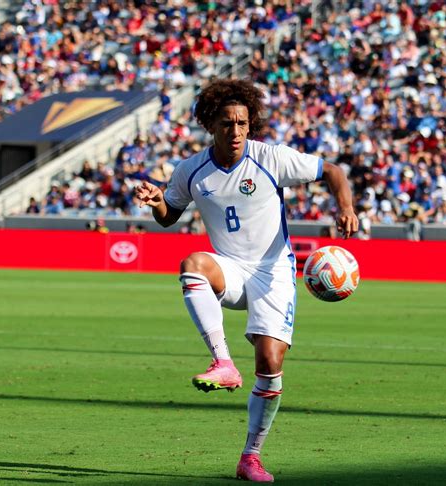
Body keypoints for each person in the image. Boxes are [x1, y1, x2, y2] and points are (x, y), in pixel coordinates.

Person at [135, 79, 358, 483]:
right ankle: (222, 362)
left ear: (250, 124)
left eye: (242, 123)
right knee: (192, 262)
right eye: (226, 123)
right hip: (231, 268)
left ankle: (250, 457)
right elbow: (170, 216)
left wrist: (344, 207)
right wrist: (158, 204)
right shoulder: (190, 170)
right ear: (211, 125)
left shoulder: (270, 158)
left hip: (274, 273)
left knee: (270, 364)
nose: (235, 131)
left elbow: (333, 171)